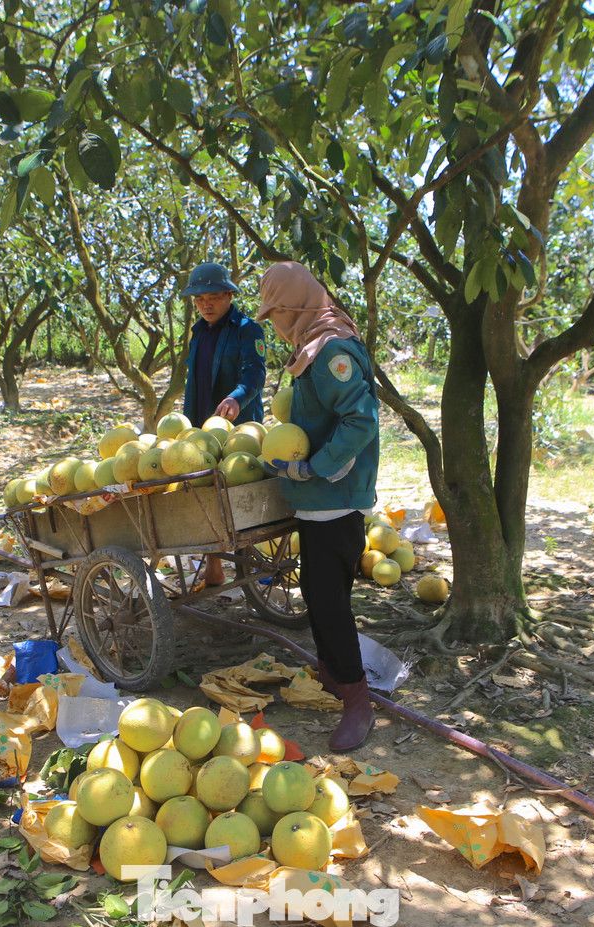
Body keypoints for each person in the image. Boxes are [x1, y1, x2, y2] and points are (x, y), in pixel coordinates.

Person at [254, 262, 379, 752]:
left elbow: (360, 420)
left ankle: (357, 702)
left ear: (298, 305)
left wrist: (317, 466)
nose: (278, 324)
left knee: (330, 604)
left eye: (279, 313)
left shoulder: (332, 351)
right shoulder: (314, 346)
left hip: (333, 498)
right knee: (318, 592)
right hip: (318, 502)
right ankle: (332, 672)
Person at [180, 262, 267, 585]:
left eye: (214, 297)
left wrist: (236, 398)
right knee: (207, 494)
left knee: (240, 493)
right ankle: (214, 567)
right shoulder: (198, 333)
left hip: (240, 426)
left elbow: (255, 372)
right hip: (203, 427)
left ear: (230, 294)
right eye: (200, 300)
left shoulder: (247, 329)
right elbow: (195, 381)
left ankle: (253, 563)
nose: (206, 304)